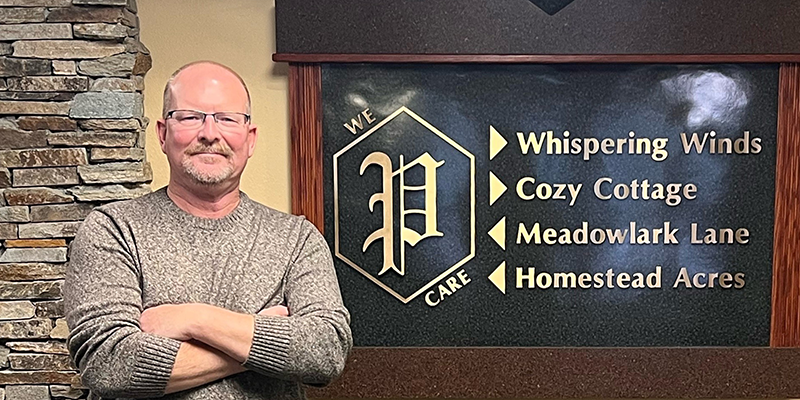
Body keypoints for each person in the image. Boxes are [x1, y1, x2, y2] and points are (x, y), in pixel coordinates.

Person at [64, 61, 352, 400]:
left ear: (250, 138)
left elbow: (326, 351)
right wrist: (264, 339)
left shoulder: (297, 239)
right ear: (162, 133)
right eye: (189, 116)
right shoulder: (112, 230)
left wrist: (193, 319)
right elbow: (108, 363)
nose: (210, 133)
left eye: (227, 118)